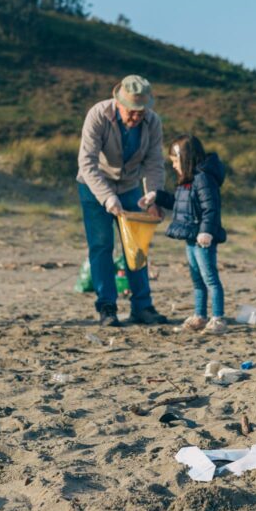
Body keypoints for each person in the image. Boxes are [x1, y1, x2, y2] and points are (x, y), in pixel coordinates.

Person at [77, 75, 169, 327]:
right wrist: (107, 198)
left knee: (137, 247)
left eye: (141, 112)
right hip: (94, 186)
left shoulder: (153, 123)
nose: (136, 116)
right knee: (101, 246)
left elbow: (154, 163)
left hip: (129, 187)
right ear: (118, 102)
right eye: (131, 112)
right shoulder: (98, 114)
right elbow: (87, 162)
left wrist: (153, 197)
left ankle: (142, 306)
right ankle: (107, 307)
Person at [139, 135, 228, 335]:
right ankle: (200, 315)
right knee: (197, 279)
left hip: (202, 239)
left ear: (187, 159)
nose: (174, 166)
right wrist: (156, 196)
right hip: (190, 238)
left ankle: (218, 318)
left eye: (176, 161)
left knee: (210, 278)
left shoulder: (203, 179)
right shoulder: (186, 182)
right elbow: (178, 204)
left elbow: (211, 208)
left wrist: (206, 231)